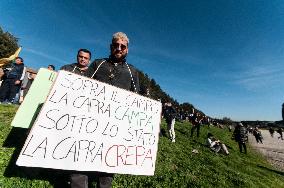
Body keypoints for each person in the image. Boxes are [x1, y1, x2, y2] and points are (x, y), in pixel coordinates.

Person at [85, 32, 140, 188]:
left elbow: (136, 98)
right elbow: (82, 85)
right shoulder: (98, 64)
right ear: (111, 47)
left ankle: (104, 184)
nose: (119, 48)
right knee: (83, 152)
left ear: (127, 49)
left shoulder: (132, 71)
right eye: (116, 45)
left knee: (110, 157)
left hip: (116, 124)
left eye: (122, 46)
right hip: (91, 118)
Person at [59, 48, 92, 188]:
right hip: (67, 110)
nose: (83, 59)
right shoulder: (66, 69)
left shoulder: (93, 73)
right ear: (77, 57)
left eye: (85, 58)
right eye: (81, 57)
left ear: (89, 60)